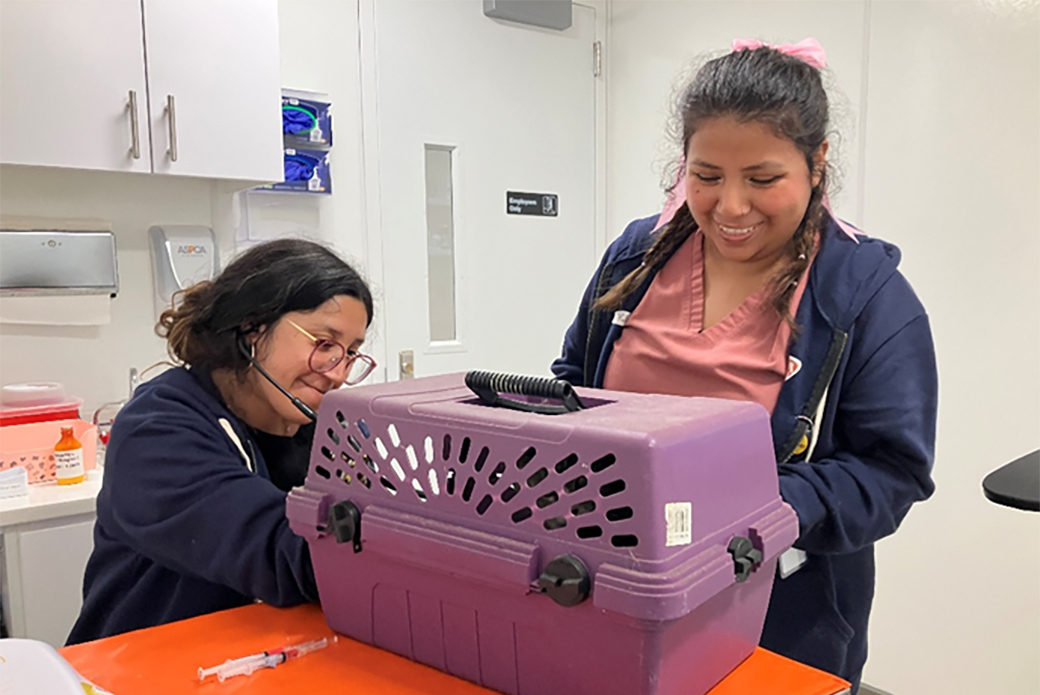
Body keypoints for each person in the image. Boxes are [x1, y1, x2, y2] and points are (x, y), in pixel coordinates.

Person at [551, 39, 937, 691]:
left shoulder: (864, 296)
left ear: (817, 163)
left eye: (762, 179)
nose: (731, 207)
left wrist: (751, 510)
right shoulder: (634, 258)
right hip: (607, 579)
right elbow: (570, 383)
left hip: (775, 609)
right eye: (706, 177)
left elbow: (892, 470)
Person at [67, 239, 377, 644]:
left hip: (267, 657)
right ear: (252, 326)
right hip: (141, 667)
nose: (337, 372)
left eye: (351, 352)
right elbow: (284, 556)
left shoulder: (327, 429)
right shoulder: (157, 432)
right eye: (324, 343)